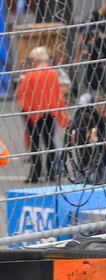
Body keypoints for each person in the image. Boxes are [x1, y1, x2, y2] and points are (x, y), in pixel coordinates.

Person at [16, 46, 68, 183]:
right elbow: (57, 93)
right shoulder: (52, 73)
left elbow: (23, 95)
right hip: (49, 112)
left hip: (33, 113)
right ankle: (51, 173)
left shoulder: (29, 75)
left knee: (35, 144)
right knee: (49, 142)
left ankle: (35, 173)